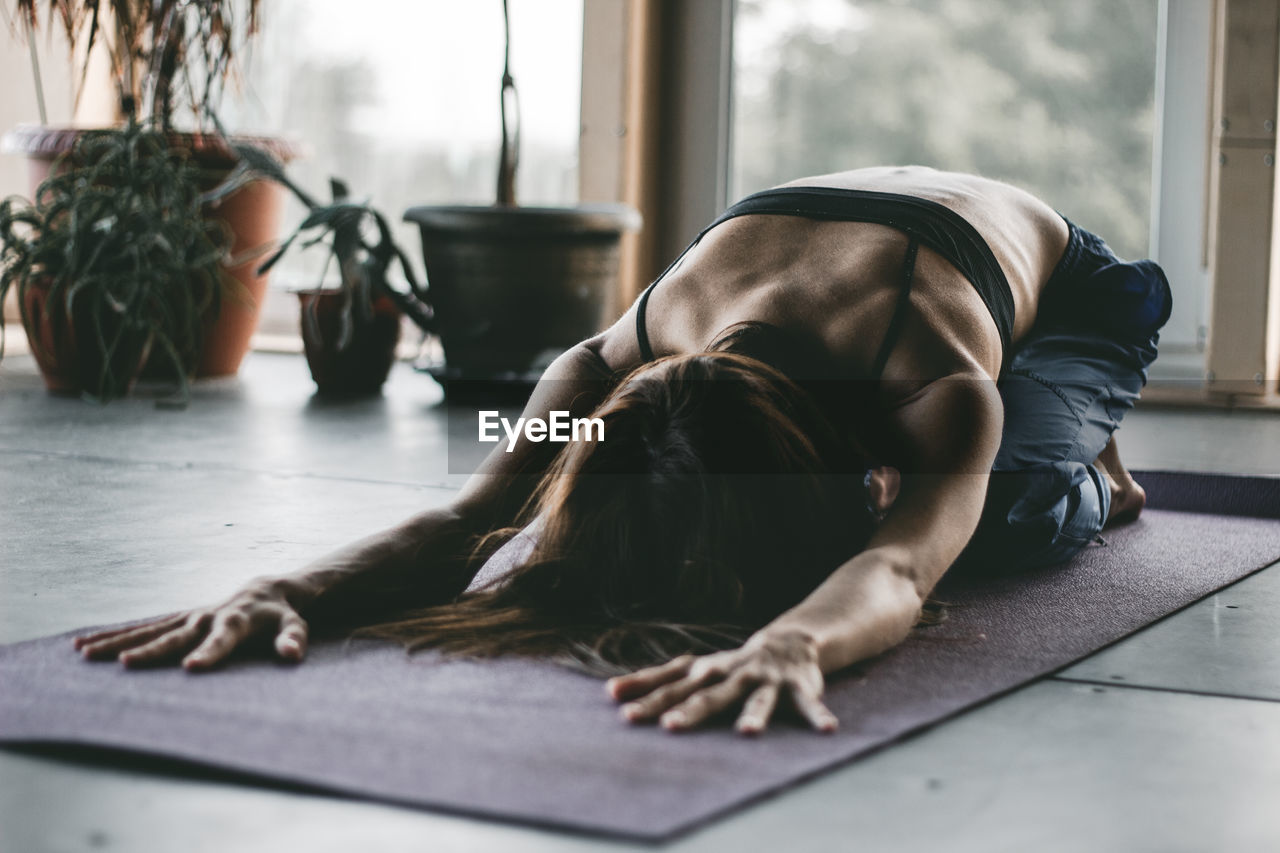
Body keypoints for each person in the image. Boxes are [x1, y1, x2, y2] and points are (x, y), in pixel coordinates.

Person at [73, 166, 1170, 736]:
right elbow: (471, 516)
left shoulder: (933, 380)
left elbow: (893, 564)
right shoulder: (606, 366)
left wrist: (790, 643)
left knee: (1001, 514)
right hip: (864, 232)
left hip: (1069, 285)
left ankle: (1094, 465)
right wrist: (286, 585)